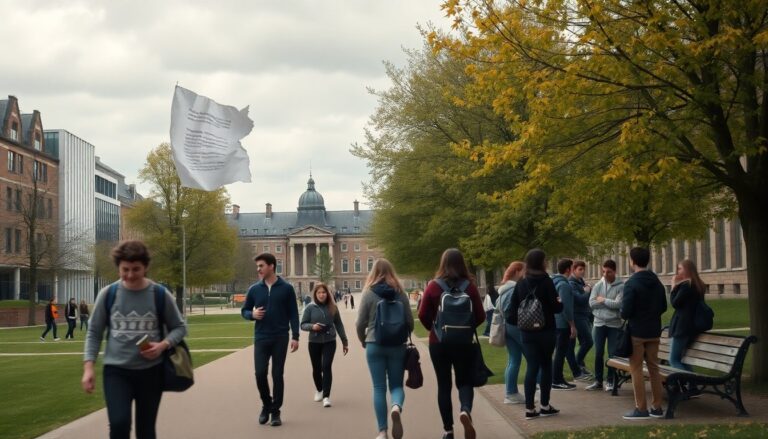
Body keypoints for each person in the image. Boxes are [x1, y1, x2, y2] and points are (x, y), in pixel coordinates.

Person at [81, 240, 187, 439]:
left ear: (145, 267)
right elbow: (94, 332)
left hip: (151, 372)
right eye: (125, 269)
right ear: (118, 268)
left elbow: (180, 328)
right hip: (116, 372)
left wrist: (163, 345)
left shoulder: (160, 295)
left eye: (136, 269)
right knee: (119, 424)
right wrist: (88, 368)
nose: (130, 275)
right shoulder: (108, 294)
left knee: (146, 430)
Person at [418, 248, 485, 439]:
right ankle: (465, 410)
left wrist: (434, 328)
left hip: (439, 342)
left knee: (444, 385)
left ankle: (448, 430)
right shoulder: (470, 287)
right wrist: (466, 328)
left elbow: (423, 314)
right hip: (463, 342)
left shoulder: (433, 286)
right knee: (465, 381)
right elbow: (480, 316)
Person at [356, 258, 414, 439]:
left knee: (379, 388)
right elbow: (410, 323)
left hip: (374, 343)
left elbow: (360, 323)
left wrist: (363, 340)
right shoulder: (400, 293)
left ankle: (382, 431)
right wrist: (402, 335)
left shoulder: (368, 292)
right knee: (396, 385)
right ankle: (396, 406)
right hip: (397, 345)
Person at [241, 252, 300, 427]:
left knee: (277, 374)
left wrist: (295, 336)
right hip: (261, 337)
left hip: (281, 336)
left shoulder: (287, 288)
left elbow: (294, 314)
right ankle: (267, 404)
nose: (258, 269)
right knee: (260, 374)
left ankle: (276, 411)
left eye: (261, 266)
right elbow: (244, 311)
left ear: (271, 266)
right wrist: (252, 314)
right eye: (257, 266)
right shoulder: (254, 289)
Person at [508, 249, 563, 420]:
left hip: (527, 333)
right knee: (546, 366)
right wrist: (559, 302)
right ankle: (545, 405)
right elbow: (556, 308)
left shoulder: (521, 283)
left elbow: (511, 312)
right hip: (546, 331)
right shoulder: (547, 282)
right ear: (541, 262)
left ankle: (530, 408)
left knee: (531, 366)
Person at [621, 247, 668, 420]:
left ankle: (641, 408)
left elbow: (625, 311)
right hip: (654, 330)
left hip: (637, 332)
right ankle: (657, 407)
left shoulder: (631, 283)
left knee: (637, 369)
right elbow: (663, 306)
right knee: (654, 368)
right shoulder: (657, 282)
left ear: (632, 261)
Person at [300, 282, 349, 408]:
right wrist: (313, 327)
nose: (321, 295)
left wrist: (344, 341)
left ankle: (326, 396)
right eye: (319, 293)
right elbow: (303, 324)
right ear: (315, 294)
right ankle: (319, 389)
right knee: (316, 369)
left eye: (324, 292)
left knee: (326, 366)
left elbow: (339, 324)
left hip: (330, 341)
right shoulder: (310, 308)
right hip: (314, 342)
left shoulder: (333, 307)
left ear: (327, 293)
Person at [586, 259, 624, 391]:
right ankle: (598, 381)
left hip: (614, 324)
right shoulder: (598, 285)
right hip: (599, 324)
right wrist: (609, 302)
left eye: (609, 272)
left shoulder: (621, 286)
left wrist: (602, 300)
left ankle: (610, 380)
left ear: (614, 271)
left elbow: (618, 304)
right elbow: (591, 303)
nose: (605, 274)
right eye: (603, 271)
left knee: (612, 354)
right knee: (598, 353)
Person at [669, 259, 707, 371]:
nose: (677, 272)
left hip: (682, 327)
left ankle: (691, 381)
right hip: (691, 326)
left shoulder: (687, 286)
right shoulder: (699, 285)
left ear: (687, 270)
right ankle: (692, 383)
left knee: (674, 360)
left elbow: (675, 303)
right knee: (682, 359)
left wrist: (673, 287)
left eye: (680, 269)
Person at [497, 261, 526, 404]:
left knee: (513, 360)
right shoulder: (514, 289)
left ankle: (510, 393)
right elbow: (511, 310)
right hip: (515, 326)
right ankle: (536, 389)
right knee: (533, 357)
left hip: (506, 326)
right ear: (518, 271)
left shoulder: (503, 289)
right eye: (524, 271)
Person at [552, 258, 581, 390]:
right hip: (562, 323)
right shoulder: (563, 285)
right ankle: (557, 379)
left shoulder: (554, 282)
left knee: (559, 352)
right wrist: (572, 325)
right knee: (560, 352)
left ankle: (557, 378)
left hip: (555, 322)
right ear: (568, 269)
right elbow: (566, 307)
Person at [569, 260, 594, 379]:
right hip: (577, 316)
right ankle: (577, 364)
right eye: (580, 269)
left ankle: (580, 366)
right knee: (589, 341)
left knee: (584, 341)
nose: (582, 272)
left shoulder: (580, 281)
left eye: (583, 269)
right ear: (573, 270)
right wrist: (587, 291)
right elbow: (580, 300)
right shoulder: (571, 283)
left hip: (585, 314)